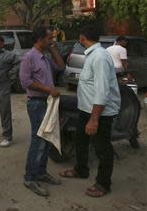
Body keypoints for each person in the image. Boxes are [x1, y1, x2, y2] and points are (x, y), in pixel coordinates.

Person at [60, 25, 121, 198]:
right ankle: (81, 169)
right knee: (81, 140)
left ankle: (103, 183)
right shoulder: (93, 55)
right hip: (87, 109)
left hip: (100, 112)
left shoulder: (100, 57)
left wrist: (94, 120)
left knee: (102, 147)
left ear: (82, 38)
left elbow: (102, 92)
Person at [19, 26, 65, 197]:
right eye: (49, 38)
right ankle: (30, 177)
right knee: (38, 140)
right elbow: (25, 82)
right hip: (37, 103)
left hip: (48, 102)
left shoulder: (44, 57)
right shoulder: (29, 57)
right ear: (40, 39)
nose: (51, 40)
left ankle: (41, 172)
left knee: (46, 138)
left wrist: (53, 49)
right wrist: (48, 89)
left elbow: (61, 67)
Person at [0, 36, 20, 147]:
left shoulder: (8, 55)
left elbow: (19, 63)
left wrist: (11, 75)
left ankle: (7, 136)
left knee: (4, 112)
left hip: (2, 87)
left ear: (2, 43)